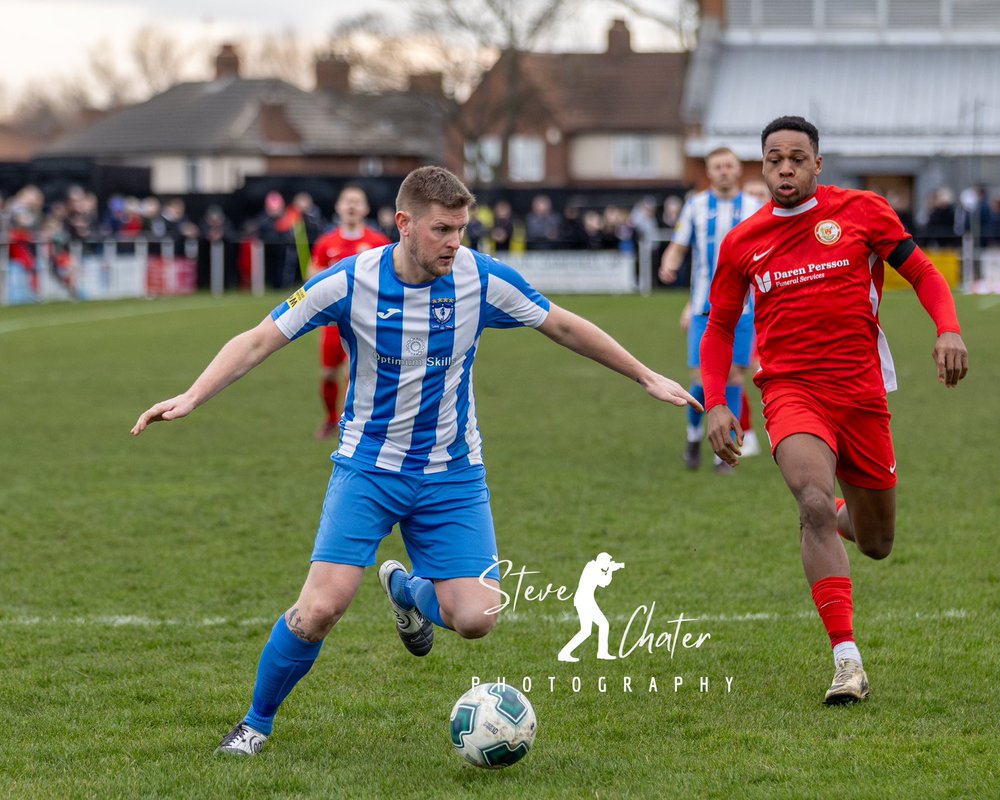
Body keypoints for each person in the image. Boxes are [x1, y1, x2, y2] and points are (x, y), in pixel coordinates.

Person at [130, 166, 701, 756]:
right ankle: (255, 724)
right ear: (404, 224)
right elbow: (257, 339)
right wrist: (193, 395)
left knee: (478, 618)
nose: (456, 242)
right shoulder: (348, 281)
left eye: (461, 228)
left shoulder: (480, 278)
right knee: (320, 609)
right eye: (442, 230)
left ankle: (406, 591)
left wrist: (644, 375)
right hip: (368, 470)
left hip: (453, 475)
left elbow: (561, 324)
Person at [701, 116, 968, 705]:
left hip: (861, 393)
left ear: (817, 164)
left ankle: (846, 519)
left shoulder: (864, 212)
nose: (786, 168)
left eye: (797, 158)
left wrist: (947, 329)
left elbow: (922, 272)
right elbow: (719, 326)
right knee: (812, 503)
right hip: (791, 390)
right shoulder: (743, 242)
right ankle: (847, 662)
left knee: (876, 542)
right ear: (762, 167)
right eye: (774, 159)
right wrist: (717, 402)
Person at [658, 147, 764, 474]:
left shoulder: (754, 208)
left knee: (733, 377)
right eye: (716, 166)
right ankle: (693, 437)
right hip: (706, 309)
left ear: (737, 171)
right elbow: (679, 244)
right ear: (709, 172)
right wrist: (669, 263)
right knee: (702, 381)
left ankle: (724, 455)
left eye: (728, 165)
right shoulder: (695, 206)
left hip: (743, 310)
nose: (722, 171)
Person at [308, 184, 393, 439]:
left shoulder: (379, 242)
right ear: (339, 207)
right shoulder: (327, 243)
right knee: (328, 374)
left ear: (365, 208)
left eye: (357, 201)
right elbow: (312, 277)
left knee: (353, 372)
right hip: (334, 323)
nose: (352, 205)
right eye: (347, 201)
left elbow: (391, 277)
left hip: (365, 322)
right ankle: (331, 419)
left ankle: (350, 424)